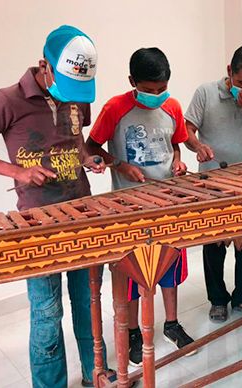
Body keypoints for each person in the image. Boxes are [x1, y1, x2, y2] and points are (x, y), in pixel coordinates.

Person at [0, 25, 115, 388]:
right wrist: (17, 172)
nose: (73, 95)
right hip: (36, 221)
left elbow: (78, 142)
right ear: (46, 65)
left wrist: (89, 158)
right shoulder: (7, 101)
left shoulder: (75, 93)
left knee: (88, 300)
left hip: (82, 213)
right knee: (46, 313)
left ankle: (95, 373)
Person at [86, 47, 196, 367]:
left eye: (162, 90)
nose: (156, 96)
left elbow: (175, 142)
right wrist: (119, 165)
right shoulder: (115, 108)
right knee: (134, 274)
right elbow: (92, 146)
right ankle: (134, 331)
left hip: (168, 200)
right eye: (148, 91)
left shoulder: (171, 106)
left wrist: (178, 161)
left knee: (170, 267)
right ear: (132, 81)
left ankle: (171, 324)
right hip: (129, 206)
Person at [184, 45, 242, 323]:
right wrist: (198, 145)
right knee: (214, 246)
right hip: (212, 182)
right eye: (241, 83)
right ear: (229, 72)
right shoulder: (205, 93)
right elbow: (187, 128)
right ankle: (217, 300)